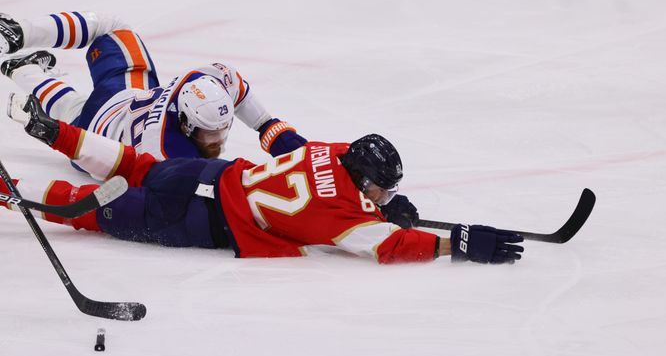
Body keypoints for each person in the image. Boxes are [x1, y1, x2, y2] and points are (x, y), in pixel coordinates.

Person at [2, 95, 524, 265]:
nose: (382, 196)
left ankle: (57, 134)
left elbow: (310, 164)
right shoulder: (336, 217)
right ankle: (6, 189)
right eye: (379, 188)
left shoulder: (332, 150)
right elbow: (386, 247)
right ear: (362, 179)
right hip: (195, 218)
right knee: (84, 207)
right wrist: (452, 243)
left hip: (202, 173)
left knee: (132, 165)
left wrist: (382, 205)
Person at [0, 11, 305, 161]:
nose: (216, 139)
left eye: (221, 129)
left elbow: (233, 84)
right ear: (184, 123)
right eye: (208, 131)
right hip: (101, 139)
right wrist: (280, 139)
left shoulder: (196, 84)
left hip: (119, 103)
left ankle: (18, 35)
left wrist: (268, 126)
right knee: (74, 112)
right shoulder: (171, 153)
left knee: (110, 31)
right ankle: (20, 65)